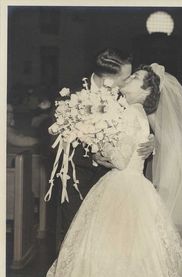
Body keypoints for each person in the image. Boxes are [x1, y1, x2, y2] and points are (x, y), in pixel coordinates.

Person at [41, 64, 182, 277]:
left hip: (122, 185)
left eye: (135, 77)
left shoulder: (131, 113)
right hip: (132, 183)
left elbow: (120, 161)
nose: (129, 77)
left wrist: (99, 145)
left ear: (145, 92)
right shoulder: (134, 111)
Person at [50, 48, 154, 240]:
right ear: (109, 77)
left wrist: (151, 141)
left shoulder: (125, 97)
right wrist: (92, 154)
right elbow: (55, 141)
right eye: (126, 77)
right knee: (74, 238)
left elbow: (140, 125)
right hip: (78, 180)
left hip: (113, 186)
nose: (129, 80)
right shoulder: (70, 96)